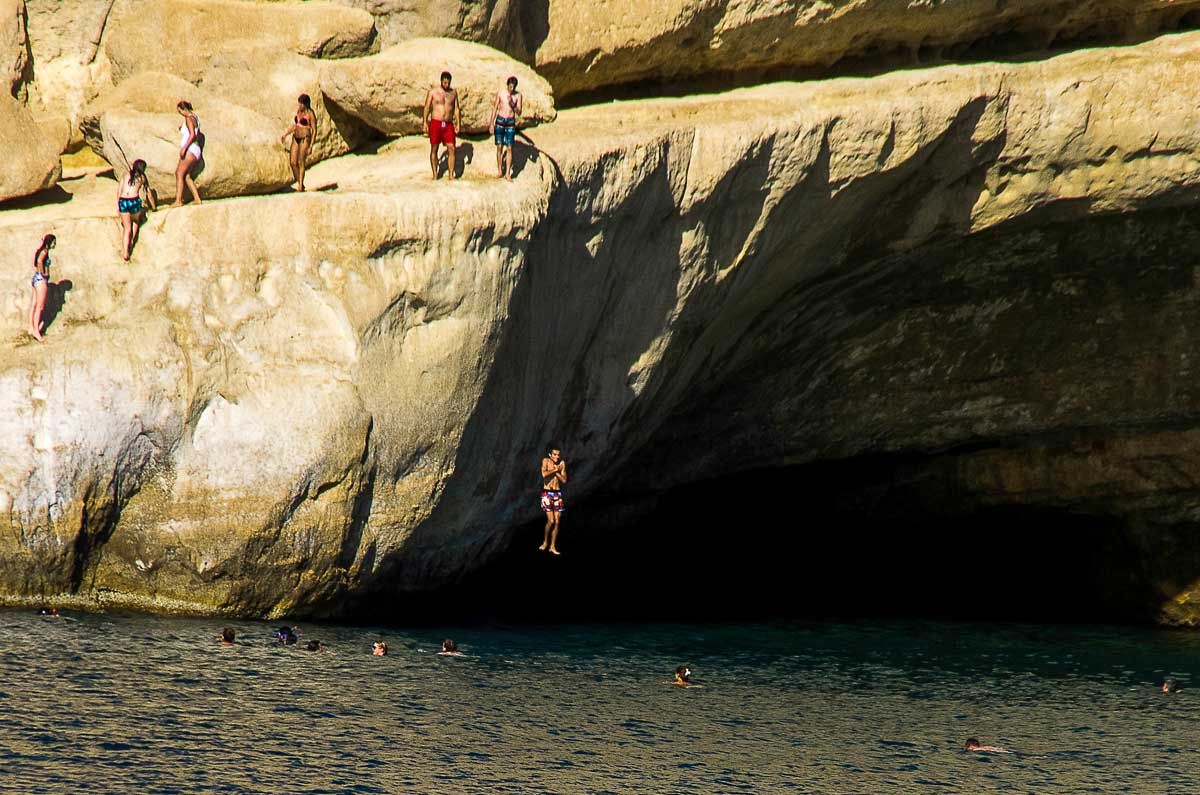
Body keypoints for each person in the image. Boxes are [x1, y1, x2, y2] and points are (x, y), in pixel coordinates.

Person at [422, 71, 461, 180]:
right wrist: (425, 122)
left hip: (448, 124)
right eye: (444, 83)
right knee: (434, 148)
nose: (446, 85)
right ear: (441, 81)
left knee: (451, 147)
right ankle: (435, 174)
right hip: (436, 122)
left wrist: (458, 123)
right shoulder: (433, 92)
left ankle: (451, 175)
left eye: (448, 83)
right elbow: (427, 107)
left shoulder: (453, 93)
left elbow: (456, 109)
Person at [118, 159, 155, 261]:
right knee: (135, 222)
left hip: (123, 200)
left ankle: (125, 253)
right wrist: (154, 207)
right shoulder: (142, 178)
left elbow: (119, 191)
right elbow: (149, 194)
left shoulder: (125, 175)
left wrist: (118, 206)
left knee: (127, 228)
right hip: (134, 201)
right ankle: (131, 242)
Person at [281, 94, 316, 192]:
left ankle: (300, 186)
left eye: (301, 103)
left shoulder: (310, 114)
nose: (299, 105)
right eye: (299, 103)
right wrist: (286, 134)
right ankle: (301, 183)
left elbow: (314, 130)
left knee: (301, 162)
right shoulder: (298, 111)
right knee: (293, 162)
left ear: (306, 104)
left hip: (305, 139)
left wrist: (311, 145)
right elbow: (296, 125)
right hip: (295, 138)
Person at [489, 76, 522, 180]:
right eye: (510, 86)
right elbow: (495, 108)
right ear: (507, 85)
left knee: (509, 147)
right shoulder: (501, 93)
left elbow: (519, 112)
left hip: (510, 122)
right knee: (499, 146)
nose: (511, 89)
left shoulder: (518, 96)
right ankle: (500, 171)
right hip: (500, 121)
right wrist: (491, 123)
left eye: (513, 87)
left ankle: (507, 173)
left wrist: (512, 104)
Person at [173, 100, 203, 207]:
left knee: (179, 173)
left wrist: (184, 148)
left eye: (180, 111)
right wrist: (182, 128)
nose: (180, 113)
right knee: (187, 176)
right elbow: (194, 131)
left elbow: (192, 135)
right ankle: (197, 199)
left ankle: (178, 201)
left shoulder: (188, 118)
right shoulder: (195, 117)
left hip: (190, 149)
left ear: (184, 109)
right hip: (196, 150)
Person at [539, 446, 567, 554]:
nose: (557, 457)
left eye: (558, 454)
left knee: (557, 522)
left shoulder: (562, 464)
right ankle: (545, 542)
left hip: (557, 494)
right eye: (555, 454)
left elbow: (564, 480)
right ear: (550, 455)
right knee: (551, 521)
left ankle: (552, 546)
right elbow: (544, 474)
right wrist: (555, 469)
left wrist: (557, 472)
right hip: (547, 493)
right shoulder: (546, 461)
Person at [27, 233, 54, 341]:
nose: (55, 245)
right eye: (54, 242)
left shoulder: (41, 250)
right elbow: (39, 261)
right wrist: (44, 273)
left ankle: (31, 327)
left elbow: (37, 261)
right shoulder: (44, 251)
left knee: (34, 304)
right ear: (49, 243)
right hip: (41, 280)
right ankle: (36, 332)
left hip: (36, 279)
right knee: (40, 306)